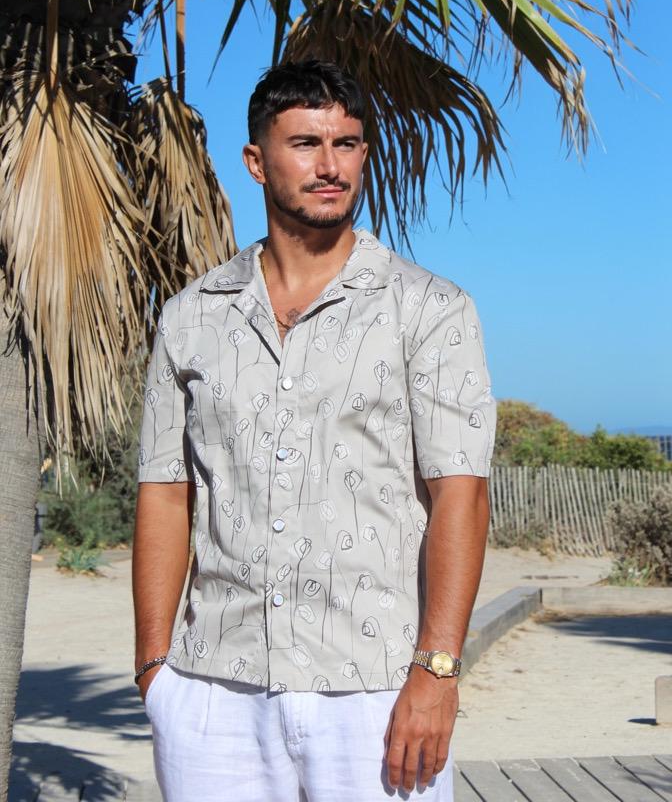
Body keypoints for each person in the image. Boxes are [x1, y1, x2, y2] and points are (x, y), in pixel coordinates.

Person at [133, 58, 497, 801]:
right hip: (213, 690)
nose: (331, 166)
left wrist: (437, 672)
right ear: (256, 161)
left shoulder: (429, 309)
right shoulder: (192, 316)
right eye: (305, 144)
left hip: (376, 693)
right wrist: (154, 670)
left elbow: (460, 494)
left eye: (347, 144)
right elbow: (165, 492)